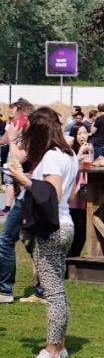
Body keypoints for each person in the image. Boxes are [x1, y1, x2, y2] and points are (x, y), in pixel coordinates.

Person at [10, 107, 79, 358]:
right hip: (66, 224)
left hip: (52, 229)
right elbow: (68, 196)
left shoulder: (51, 156)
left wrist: (22, 179)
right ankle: (58, 346)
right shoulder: (68, 155)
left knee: (53, 293)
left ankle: (51, 352)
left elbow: (51, 193)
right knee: (57, 290)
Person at [0, 99, 33, 302]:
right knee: (34, 242)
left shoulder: (29, 134)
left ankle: (5, 290)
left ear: (22, 116)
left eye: (14, 117)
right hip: (30, 193)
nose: (12, 122)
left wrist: (12, 139)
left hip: (29, 194)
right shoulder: (31, 132)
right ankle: (42, 291)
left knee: (6, 240)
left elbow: (16, 160)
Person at [1, 99, 32, 214]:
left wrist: (9, 140)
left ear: (19, 108)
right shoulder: (30, 121)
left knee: (10, 180)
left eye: (12, 108)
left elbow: (5, 139)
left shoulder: (16, 121)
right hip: (27, 156)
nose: (10, 110)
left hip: (16, 154)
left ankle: (8, 207)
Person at [68, 125, 94, 258]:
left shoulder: (89, 149)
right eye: (79, 133)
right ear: (74, 136)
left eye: (85, 133)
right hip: (73, 192)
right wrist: (80, 153)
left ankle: (75, 257)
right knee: (73, 225)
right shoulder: (70, 151)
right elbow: (71, 166)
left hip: (85, 191)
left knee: (83, 228)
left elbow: (90, 164)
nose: (83, 136)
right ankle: (69, 257)